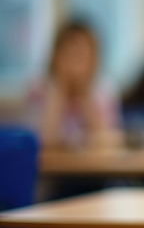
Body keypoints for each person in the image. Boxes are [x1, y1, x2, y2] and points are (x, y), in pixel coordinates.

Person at [25, 19, 123, 150]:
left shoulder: (102, 92)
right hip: (50, 168)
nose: (74, 64)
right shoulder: (38, 90)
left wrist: (86, 97)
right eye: (68, 55)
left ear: (94, 60)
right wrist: (58, 91)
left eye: (81, 56)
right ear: (54, 57)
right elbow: (41, 141)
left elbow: (108, 141)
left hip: (94, 168)